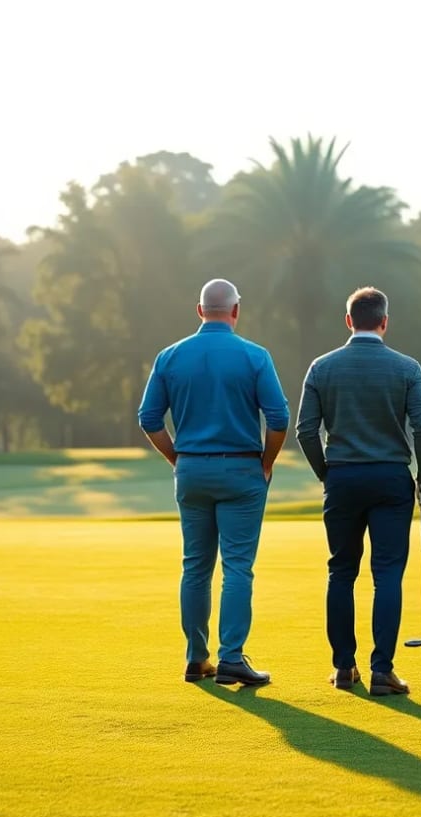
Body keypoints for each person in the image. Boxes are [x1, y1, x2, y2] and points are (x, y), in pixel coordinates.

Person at [138, 279, 290, 687]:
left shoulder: (170, 356)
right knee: (237, 566)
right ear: (236, 311)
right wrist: (267, 463)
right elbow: (278, 419)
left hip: (191, 469)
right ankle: (232, 658)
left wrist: (177, 458)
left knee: (195, 567)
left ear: (199, 309)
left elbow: (149, 418)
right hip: (242, 469)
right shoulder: (255, 356)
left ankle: (196, 657)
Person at [296, 287, 421, 696]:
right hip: (391, 478)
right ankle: (382, 670)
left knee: (341, 571)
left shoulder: (321, 367)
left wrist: (327, 473)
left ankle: (343, 667)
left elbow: (306, 430)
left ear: (348, 321)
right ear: (384, 322)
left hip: (342, 478)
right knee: (387, 575)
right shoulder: (407, 368)